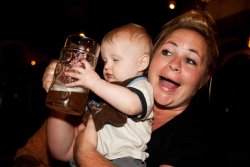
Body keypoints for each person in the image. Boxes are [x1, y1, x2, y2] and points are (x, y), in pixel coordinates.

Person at [42, 9, 219, 167]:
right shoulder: (107, 97)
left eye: (190, 60)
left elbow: (80, 148)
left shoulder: (198, 136)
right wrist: (60, 95)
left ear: (204, 79)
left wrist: (85, 152)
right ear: (150, 59)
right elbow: (62, 151)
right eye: (167, 52)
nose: (174, 64)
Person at [45, 23, 154, 167]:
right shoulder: (101, 94)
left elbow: (132, 105)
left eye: (115, 60)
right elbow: (62, 152)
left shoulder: (141, 85)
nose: (107, 66)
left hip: (124, 160)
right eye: (105, 61)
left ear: (142, 63)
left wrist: (95, 82)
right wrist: (60, 96)